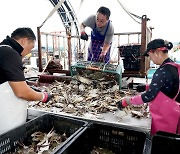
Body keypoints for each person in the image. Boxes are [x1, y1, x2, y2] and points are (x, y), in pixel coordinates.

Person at [116, 39, 180, 135]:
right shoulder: (173, 67)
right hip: (174, 114)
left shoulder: (162, 71)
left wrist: (127, 101)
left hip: (165, 120)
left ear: (157, 52)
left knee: (161, 143)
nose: (150, 59)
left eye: (150, 56)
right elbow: (166, 86)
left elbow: (148, 96)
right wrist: (145, 87)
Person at [0, 27, 52, 134]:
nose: (28, 53)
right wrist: (43, 96)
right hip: (6, 124)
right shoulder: (11, 54)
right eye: (30, 48)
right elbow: (22, 92)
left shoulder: (3, 50)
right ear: (24, 41)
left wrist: (29, 87)